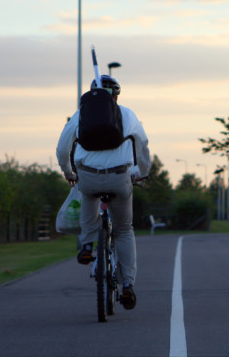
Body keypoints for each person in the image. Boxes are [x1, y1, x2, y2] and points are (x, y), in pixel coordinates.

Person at [56, 74, 150, 310]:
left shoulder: (80, 115)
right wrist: (143, 172)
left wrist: (68, 172)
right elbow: (143, 145)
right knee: (124, 230)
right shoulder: (127, 114)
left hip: (87, 175)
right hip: (120, 177)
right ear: (117, 95)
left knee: (87, 194)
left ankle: (87, 245)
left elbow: (61, 148)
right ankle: (127, 285)